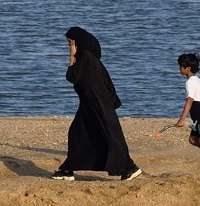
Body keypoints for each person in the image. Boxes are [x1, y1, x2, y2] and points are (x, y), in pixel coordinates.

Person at [52, 26, 141, 181]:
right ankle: (68, 169)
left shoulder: (85, 57)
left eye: (71, 44)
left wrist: (71, 57)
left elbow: (72, 77)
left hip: (96, 104)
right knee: (79, 134)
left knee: (110, 136)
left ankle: (129, 167)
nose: (69, 47)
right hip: (89, 104)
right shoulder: (90, 59)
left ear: (78, 43)